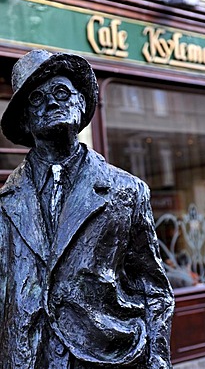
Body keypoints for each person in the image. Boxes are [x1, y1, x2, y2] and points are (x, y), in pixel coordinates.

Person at [0, 49, 174, 368]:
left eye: (61, 91)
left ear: (81, 104)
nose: (51, 102)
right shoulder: (5, 201)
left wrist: (158, 355)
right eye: (36, 99)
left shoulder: (127, 191)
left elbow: (154, 289)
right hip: (27, 356)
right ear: (24, 120)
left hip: (107, 355)